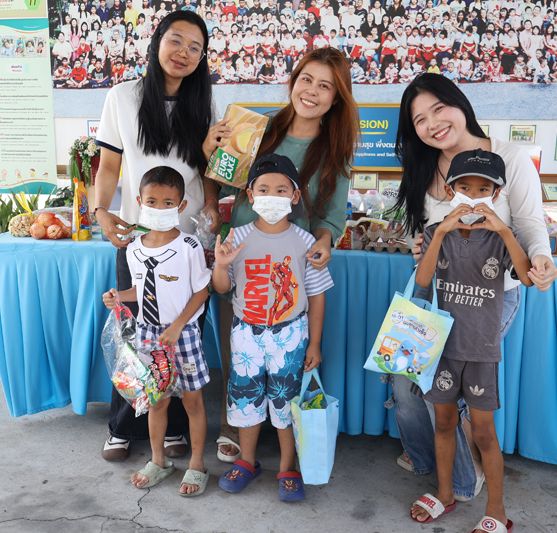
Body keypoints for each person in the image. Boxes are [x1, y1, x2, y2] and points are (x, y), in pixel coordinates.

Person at [390, 73, 557, 505]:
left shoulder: (508, 156)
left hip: (490, 295)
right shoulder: (423, 167)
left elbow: (529, 223)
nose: (432, 124)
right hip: (435, 292)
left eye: (438, 109)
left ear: (460, 104)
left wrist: (540, 256)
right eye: (419, 119)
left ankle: (464, 481)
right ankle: (426, 456)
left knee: (450, 388)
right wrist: (421, 246)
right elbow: (423, 234)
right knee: (405, 377)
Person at [205, 47, 358, 463]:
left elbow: (330, 217)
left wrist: (323, 241)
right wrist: (209, 155)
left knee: (286, 357)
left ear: (336, 98)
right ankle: (235, 426)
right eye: (306, 79)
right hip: (243, 258)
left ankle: (284, 432)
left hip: (290, 267)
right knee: (238, 348)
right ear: (293, 82)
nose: (312, 91)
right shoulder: (258, 128)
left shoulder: (334, 149)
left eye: (325, 86)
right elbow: (221, 181)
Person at [94, 10, 222, 462]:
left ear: (202, 58)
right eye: (176, 40)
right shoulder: (122, 97)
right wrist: (101, 211)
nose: (184, 52)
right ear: (157, 42)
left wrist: (211, 205)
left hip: (187, 242)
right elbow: (109, 165)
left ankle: (174, 430)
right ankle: (122, 426)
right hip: (137, 240)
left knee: (181, 339)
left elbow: (209, 170)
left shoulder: (204, 104)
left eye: (195, 47)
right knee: (133, 339)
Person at [410, 149, 534, 532]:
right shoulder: (437, 231)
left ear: (496, 194)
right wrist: (440, 231)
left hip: (481, 351)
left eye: (484, 189)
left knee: (483, 432)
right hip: (443, 348)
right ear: (451, 191)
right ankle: (445, 493)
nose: (474, 195)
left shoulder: (500, 237)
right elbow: (423, 280)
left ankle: (497, 510)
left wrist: (504, 230)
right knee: (444, 422)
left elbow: (526, 277)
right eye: (465, 187)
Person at [211, 154, 333, 502]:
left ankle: (287, 466)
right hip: (245, 334)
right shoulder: (236, 237)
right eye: (263, 189)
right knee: (245, 400)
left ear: (295, 197)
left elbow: (317, 296)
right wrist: (221, 265)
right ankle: (247, 461)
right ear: (250, 195)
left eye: (281, 190)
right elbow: (222, 288)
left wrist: (314, 344)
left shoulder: (305, 241)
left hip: (290, 335)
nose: (272, 196)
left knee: (286, 402)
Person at [102, 166, 212, 496]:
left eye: (168, 202)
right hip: (149, 336)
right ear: (139, 202)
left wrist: (178, 326)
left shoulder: (189, 246)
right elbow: (140, 290)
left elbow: (202, 291)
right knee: (157, 401)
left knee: (192, 402)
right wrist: (119, 296)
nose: (159, 208)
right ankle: (158, 459)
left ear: (181, 206)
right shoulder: (134, 248)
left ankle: (197, 464)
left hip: (184, 334)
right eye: (152, 201)